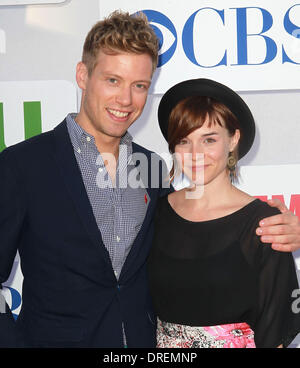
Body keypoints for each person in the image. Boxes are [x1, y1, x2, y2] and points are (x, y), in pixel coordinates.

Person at [0, 11, 299, 348]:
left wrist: (284, 226)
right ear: (83, 75)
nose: (125, 100)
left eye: (139, 85)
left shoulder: (151, 170)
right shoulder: (21, 167)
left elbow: (202, 231)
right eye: (113, 80)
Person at [148, 78, 300, 348]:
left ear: (234, 139)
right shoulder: (156, 211)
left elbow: (276, 329)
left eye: (209, 140)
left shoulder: (264, 224)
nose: (195, 154)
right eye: (184, 141)